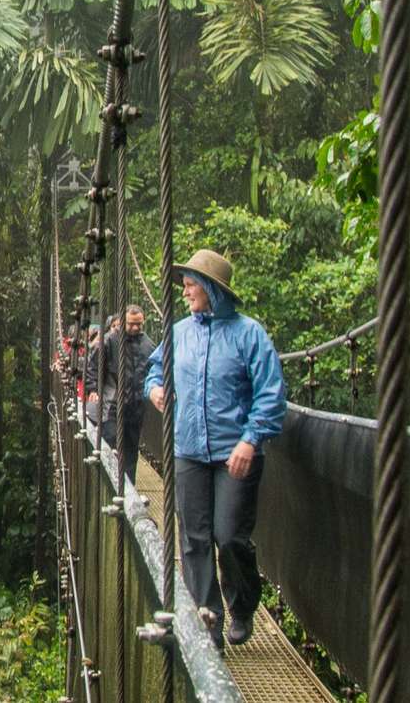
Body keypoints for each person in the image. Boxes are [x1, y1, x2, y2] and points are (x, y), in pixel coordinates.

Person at [145, 249, 285, 649]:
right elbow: (155, 369)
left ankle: (242, 606)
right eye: (185, 283)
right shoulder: (179, 332)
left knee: (229, 537)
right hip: (188, 450)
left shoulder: (249, 335)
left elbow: (272, 395)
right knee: (194, 539)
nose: (185, 290)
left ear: (211, 289)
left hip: (235, 454)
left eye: (191, 284)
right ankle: (208, 623)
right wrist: (154, 387)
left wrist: (250, 439)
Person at [89, 304, 152, 483]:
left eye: (139, 324)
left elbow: (155, 371)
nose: (135, 328)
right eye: (131, 324)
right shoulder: (109, 341)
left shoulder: (148, 344)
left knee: (131, 451)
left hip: (136, 406)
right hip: (112, 406)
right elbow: (93, 367)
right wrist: (93, 389)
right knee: (111, 448)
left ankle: (128, 489)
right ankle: (109, 488)